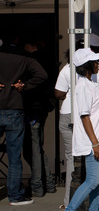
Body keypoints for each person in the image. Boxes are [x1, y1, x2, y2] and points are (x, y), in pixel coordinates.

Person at [55, 34, 99, 211]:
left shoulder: (68, 69)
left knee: (72, 160)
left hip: (68, 114)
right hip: (97, 119)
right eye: (98, 52)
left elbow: (57, 93)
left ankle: (70, 201)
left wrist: (71, 95)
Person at [0, 45, 48, 205]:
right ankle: (14, 196)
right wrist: (25, 85)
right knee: (14, 157)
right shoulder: (24, 58)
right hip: (14, 108)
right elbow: (42, 75)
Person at [21, 36, 57, 197]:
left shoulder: (29, 62)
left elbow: (41, 79)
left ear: (29, 45)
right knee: (36, 146)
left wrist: (24, 86)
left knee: (32, 148)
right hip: (41, 108)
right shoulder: (47, 60)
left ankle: (38, 185)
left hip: (33, 108)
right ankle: (47, 182)